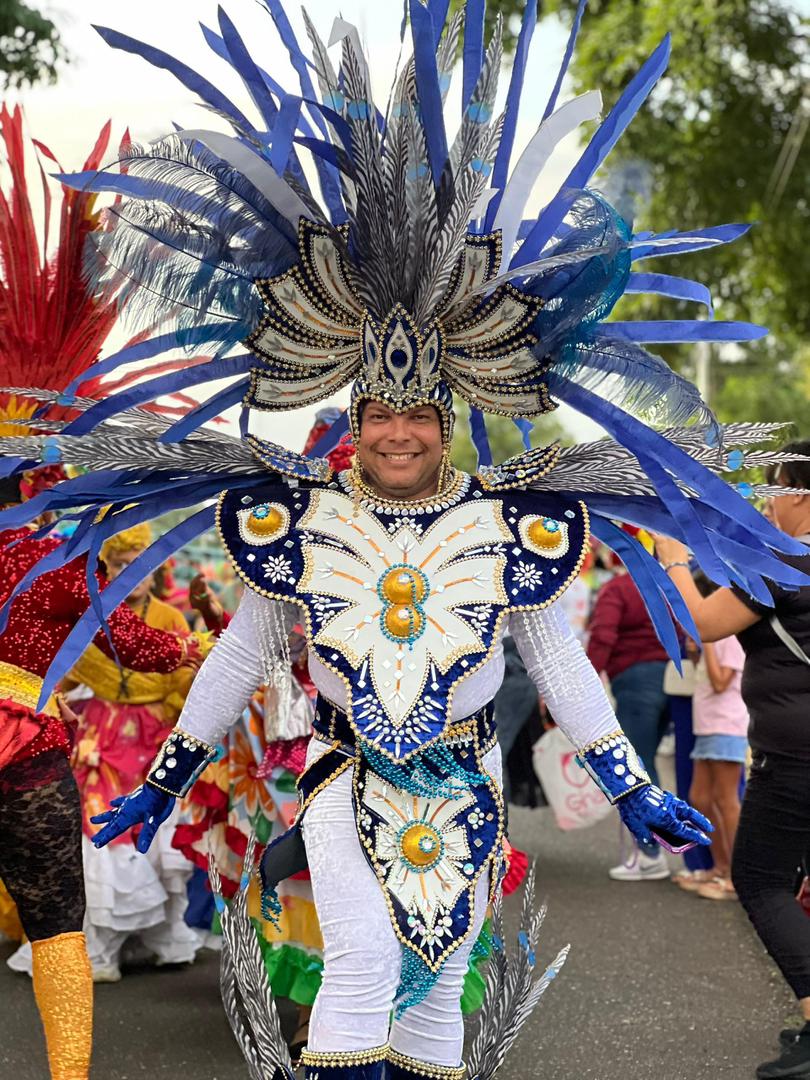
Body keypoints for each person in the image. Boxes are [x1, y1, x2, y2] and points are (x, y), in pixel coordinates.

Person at [1, 5, 804, 1076]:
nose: (395, 430)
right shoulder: (295, 518)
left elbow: (556, 656)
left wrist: (633, 788)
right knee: (364, 967)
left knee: (436, 1009)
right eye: (380, 410)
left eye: (418, 414)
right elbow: (242, 654)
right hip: (346, 778)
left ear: (448, 419)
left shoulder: (512, 520)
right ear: (357, 412)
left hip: (468, 786)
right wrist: (163, 782)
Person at [0, 478, 202, 1080]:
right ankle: (69, 1075)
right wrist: (194, 646)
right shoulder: (49, 563)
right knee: (57, 926)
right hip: (24, 749)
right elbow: (131, 641)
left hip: (38, 726)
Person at [655, 440, 810, 1080]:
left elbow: (704, 624)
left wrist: (670, 558)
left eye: (774, 488)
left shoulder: (783, 564)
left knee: (761, 879)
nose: (767, 502)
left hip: (796, 755)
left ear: (800, 493)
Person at [587, 560, 673, 881]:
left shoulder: (618, 589)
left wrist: (587, 681)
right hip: (673, 679)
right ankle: (659, 849)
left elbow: (603, 635)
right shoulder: (666, 586)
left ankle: (650, 854)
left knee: (636, 770)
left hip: (635, 682)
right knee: (648, 764)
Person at [680, 573, 748, 903]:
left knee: (726, 801)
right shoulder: (713, 638)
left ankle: (735, 876)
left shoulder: (729, 635)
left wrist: (704, 642)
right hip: (706, 723)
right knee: (700, 798)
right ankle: (719, 868)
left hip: (726, 723)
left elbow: (722, 682)